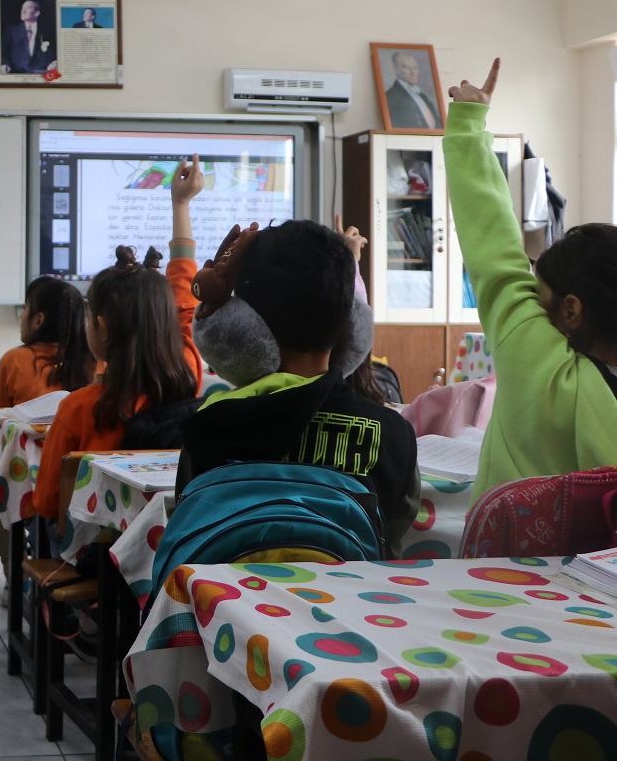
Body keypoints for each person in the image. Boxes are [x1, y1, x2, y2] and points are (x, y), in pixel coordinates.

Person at [177, 219, 420, 556]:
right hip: (346, 604)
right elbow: (389, 543)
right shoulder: (394, 433)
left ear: (244, 324)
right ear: (350, 321)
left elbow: (187, 521)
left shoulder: (209, 425)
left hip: (223, 604)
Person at [445, 58, 617, 498]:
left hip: (500, 564)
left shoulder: (537, 358)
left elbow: (495, 247)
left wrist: (468, 123)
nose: (532, 304)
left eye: (539, 295)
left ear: (572, 309)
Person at [32, 157, 206, 520]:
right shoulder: (188, 371)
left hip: (98, 560)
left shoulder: (79, 408)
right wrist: (181, 204)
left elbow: (49, 504)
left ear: (102, 327)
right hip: (168, 548)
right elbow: (185, 296)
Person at [0, 276, 93, 409]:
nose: (21, 315)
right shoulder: (96, 363)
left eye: (25, 308)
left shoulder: (13, 361)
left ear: (39, 320)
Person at [383, 50, 444, 129]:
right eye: (406, 67)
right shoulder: (390, 97)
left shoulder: (422, 96)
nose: (412, 72)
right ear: (396, 69)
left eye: (415, 68)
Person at [2, 0, 58, 75]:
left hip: (40, 77)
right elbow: (4, 51)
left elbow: (54, 53)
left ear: (37, 13)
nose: (23, 11)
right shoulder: (11, 30)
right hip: (16, 75)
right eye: (22, 8)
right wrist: (4, 63)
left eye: (28, 7)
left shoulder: (48, 32)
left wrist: (54, 62)